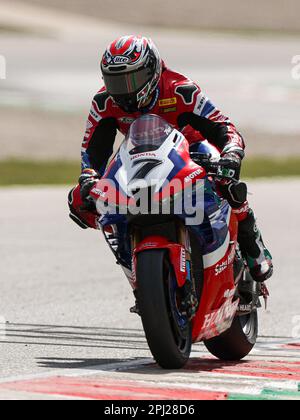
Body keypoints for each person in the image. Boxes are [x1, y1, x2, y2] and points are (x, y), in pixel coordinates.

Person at [68, 35, 273, 282]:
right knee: (80, 198)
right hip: (137, 158)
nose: (124, 90)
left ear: (152, 70)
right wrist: (90, 177)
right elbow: (92, 150)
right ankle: (131, 257)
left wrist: (231, 153)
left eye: (131, 79)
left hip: (192, 151)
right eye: (115, 81)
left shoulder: (180, 89)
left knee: (227, 182)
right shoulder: (104, 102)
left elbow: (222, 126)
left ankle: (254, 248)